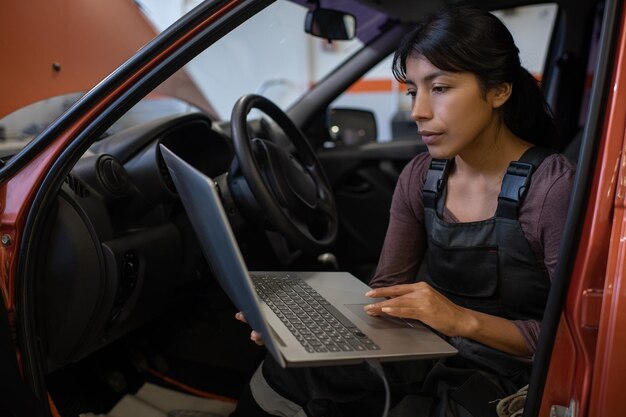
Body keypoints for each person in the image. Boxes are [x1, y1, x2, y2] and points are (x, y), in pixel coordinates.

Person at [230, 6, 575, 417]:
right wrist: (304, 333)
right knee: (287, 371)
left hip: (515, 377)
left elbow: (573, 343)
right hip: (435, 350)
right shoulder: (420, 177)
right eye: (413, 91)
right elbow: (384, 290)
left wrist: (459, 320)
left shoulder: (552, 187)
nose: (418, 111)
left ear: (499, 91)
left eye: (440, 88)